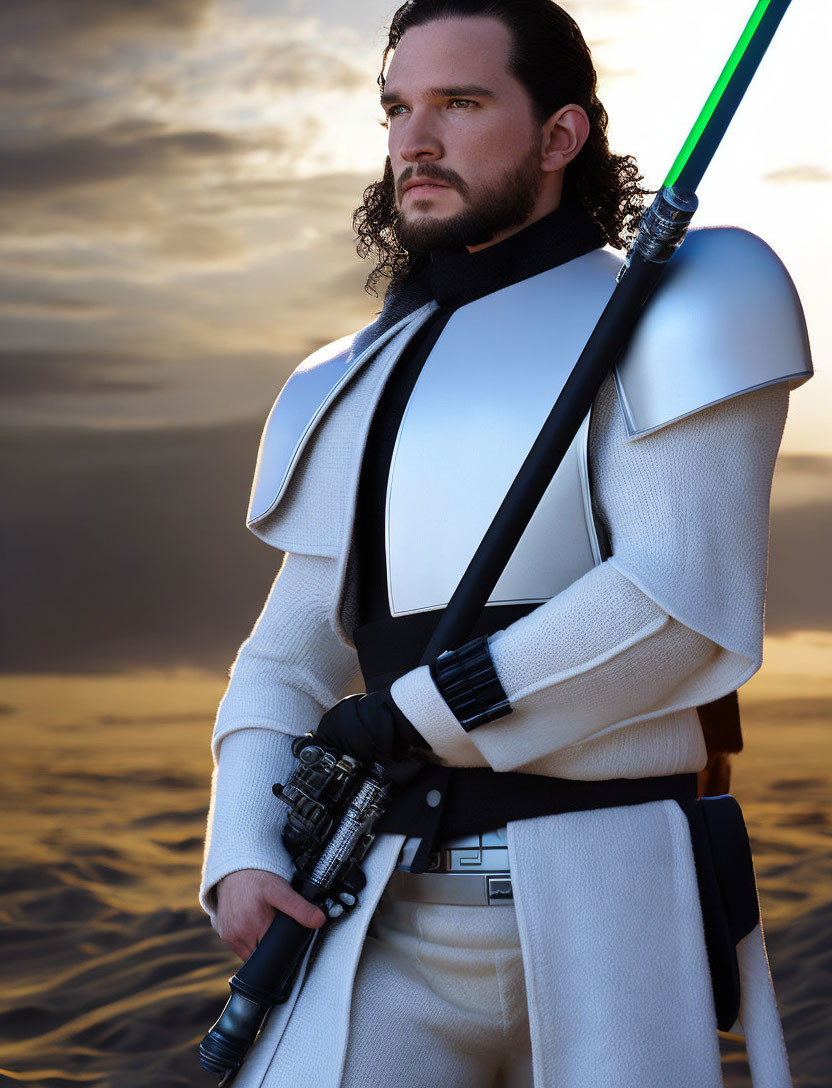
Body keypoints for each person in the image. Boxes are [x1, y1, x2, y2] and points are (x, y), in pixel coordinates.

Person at [199, 2, 812, 1085]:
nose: (411, 140)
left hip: (610, 898)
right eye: (396, 106)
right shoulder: (344, 377)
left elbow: (675, 602)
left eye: (459, 102)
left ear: (559, 137)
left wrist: (406, 717)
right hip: (373, 904)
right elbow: (286, 651)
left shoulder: (683, 308)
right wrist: (244, 847)